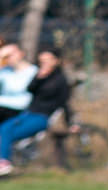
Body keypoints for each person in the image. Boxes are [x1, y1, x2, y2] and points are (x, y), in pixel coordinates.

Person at [0, 48, 76, 177]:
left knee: (7, 132)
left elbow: (64, 104)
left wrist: (69, 123)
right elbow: (30, 89)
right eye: (42, 61)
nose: (44, 64)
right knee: (4, 128)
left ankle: (4, 163)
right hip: (27, 114)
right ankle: (5, 161)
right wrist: (39, 77)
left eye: (47, 61)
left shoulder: (60, 80)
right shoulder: (41, 76)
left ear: (56, 61)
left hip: (42, 117)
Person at [0, 43, 38, 124]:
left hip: (18, 110)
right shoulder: (5, 71)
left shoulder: (33, 72)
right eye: (5, 57)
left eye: (10, 55)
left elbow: (24, 98)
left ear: (21, 53)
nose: (8, 58)